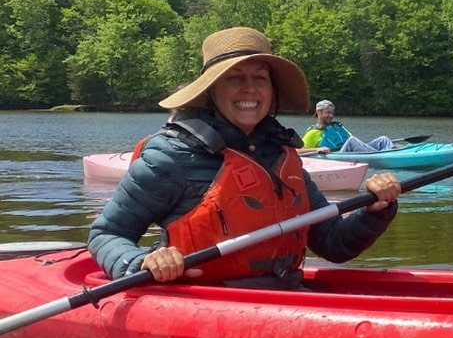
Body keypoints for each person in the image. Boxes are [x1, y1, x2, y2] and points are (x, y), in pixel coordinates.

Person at [88, 26, 402, 289]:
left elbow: (334, 244)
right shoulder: (170, 157)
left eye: (260, 78)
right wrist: (140, 262)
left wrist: (375, 210)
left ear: (272, 90)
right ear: (211, 90)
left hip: (288, 296)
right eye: (235, 78)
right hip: (206, 304)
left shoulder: (282, 156)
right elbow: (108, 234)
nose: (250, 89)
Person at [299, 99, 393, 154]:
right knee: (352, 140)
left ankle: (391, 153)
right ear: (319, 112)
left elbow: (353, 141)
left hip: (352, 152)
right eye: (328, 113)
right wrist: (317, 149)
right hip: (338, 155)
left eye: (332, 113)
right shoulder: (312, 132)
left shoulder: (337, 127)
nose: (331, 116)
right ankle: (382, 156)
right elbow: (298, 150)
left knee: (383, 139)